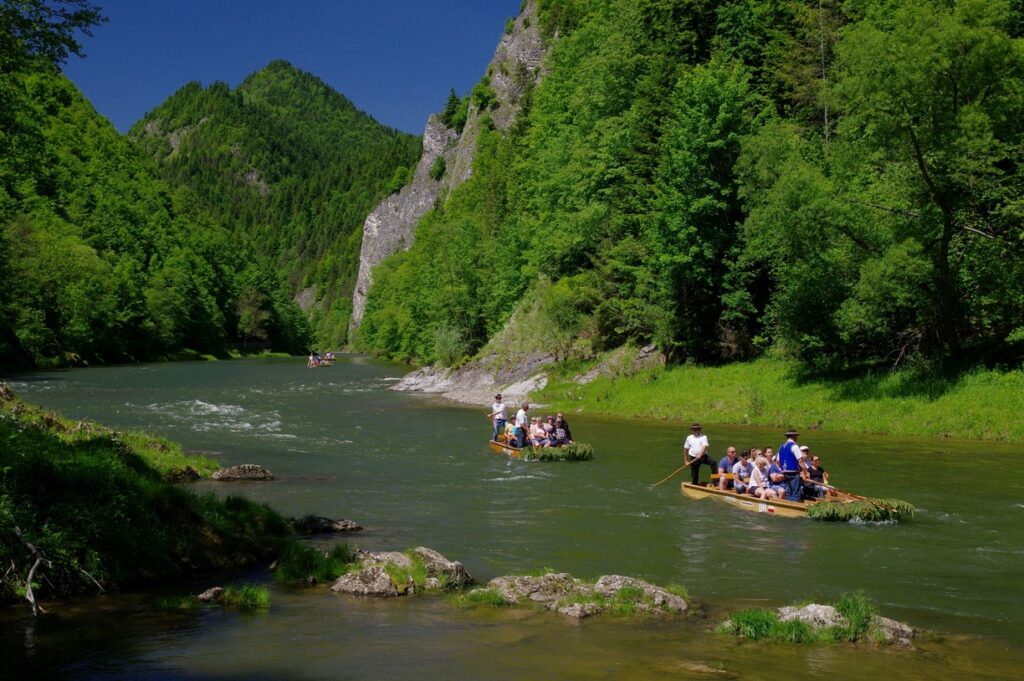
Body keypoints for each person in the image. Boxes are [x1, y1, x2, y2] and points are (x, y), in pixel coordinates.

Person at [777, 428, 808, 502]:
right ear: (793, 436)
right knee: (796, 493)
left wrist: (782, 469)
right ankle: (794, 506)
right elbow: (800, 461)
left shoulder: (781, 447)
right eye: (796, 436)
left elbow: (777, 461)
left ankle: (788, 505)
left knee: (788, 492)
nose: (797, 438)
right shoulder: (794, 446)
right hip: (793, 473)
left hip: (785, 473)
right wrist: (806, 471)